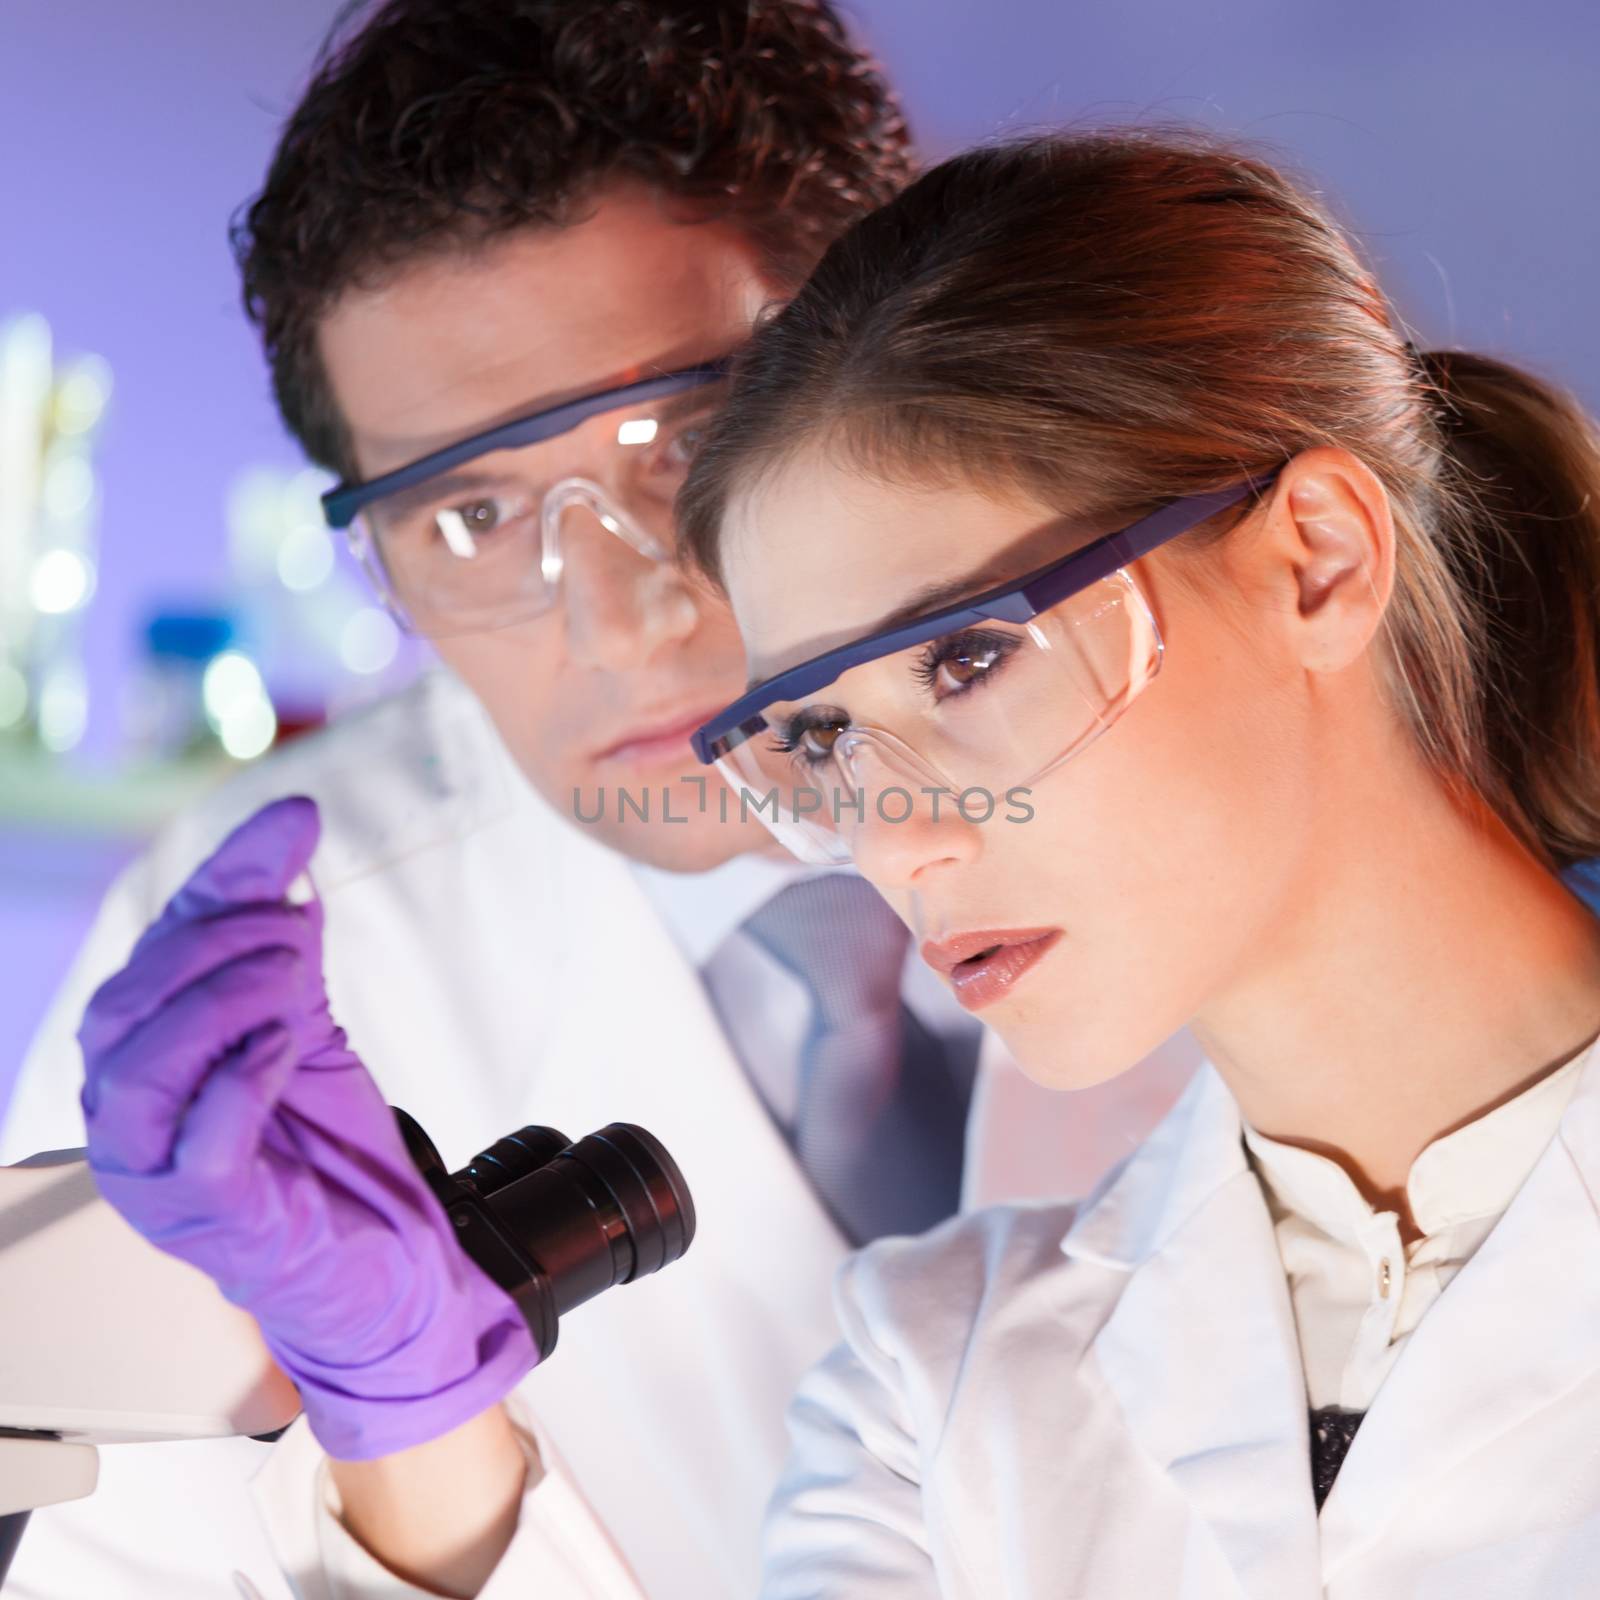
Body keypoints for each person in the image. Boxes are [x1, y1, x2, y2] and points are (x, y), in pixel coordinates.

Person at [0, 12, 1194, 1600]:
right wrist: (419, 1483)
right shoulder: (252, 974)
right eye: (474, 511)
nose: (619, 615)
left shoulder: (1208, 733)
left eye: (694, 437)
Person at [666, 127, 1600, 1593]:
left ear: (1320, 561)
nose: (896, 844)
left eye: (968, 658)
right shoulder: (932, 1387)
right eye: (829, 741)